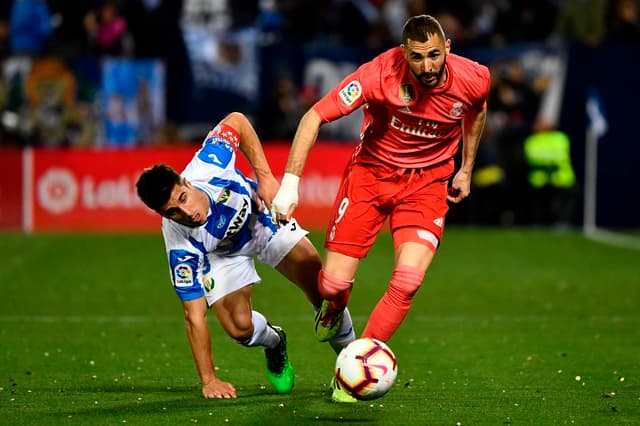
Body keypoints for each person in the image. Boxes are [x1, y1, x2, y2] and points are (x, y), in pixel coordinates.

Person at [271, 14, 490, 396]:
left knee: (408, 281)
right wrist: (290, 184)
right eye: (417, 57)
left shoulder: (474, 77)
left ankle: (353, 370)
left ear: (448, 49)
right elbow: (314, 116)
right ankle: (334, 306)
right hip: (371, 178)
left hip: (427, 184)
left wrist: (466, 168)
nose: (427, 66)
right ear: (404, 53)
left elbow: (477, 110)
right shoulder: (377, 75)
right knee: (333, 286)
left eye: (434, 55)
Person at [136, 112, 355, 399]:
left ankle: (352, 369)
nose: (187, 213)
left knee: (323, 291)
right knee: (240, 329)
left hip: (261, 222)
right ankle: (275, 342)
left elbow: (237, 121)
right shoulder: (180, 245)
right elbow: (194, 316)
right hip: (221, 256)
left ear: (186, 183)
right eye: (172, 212)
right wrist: (208, 380)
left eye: (182, 199)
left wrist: (264, 177)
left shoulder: (209, 164)